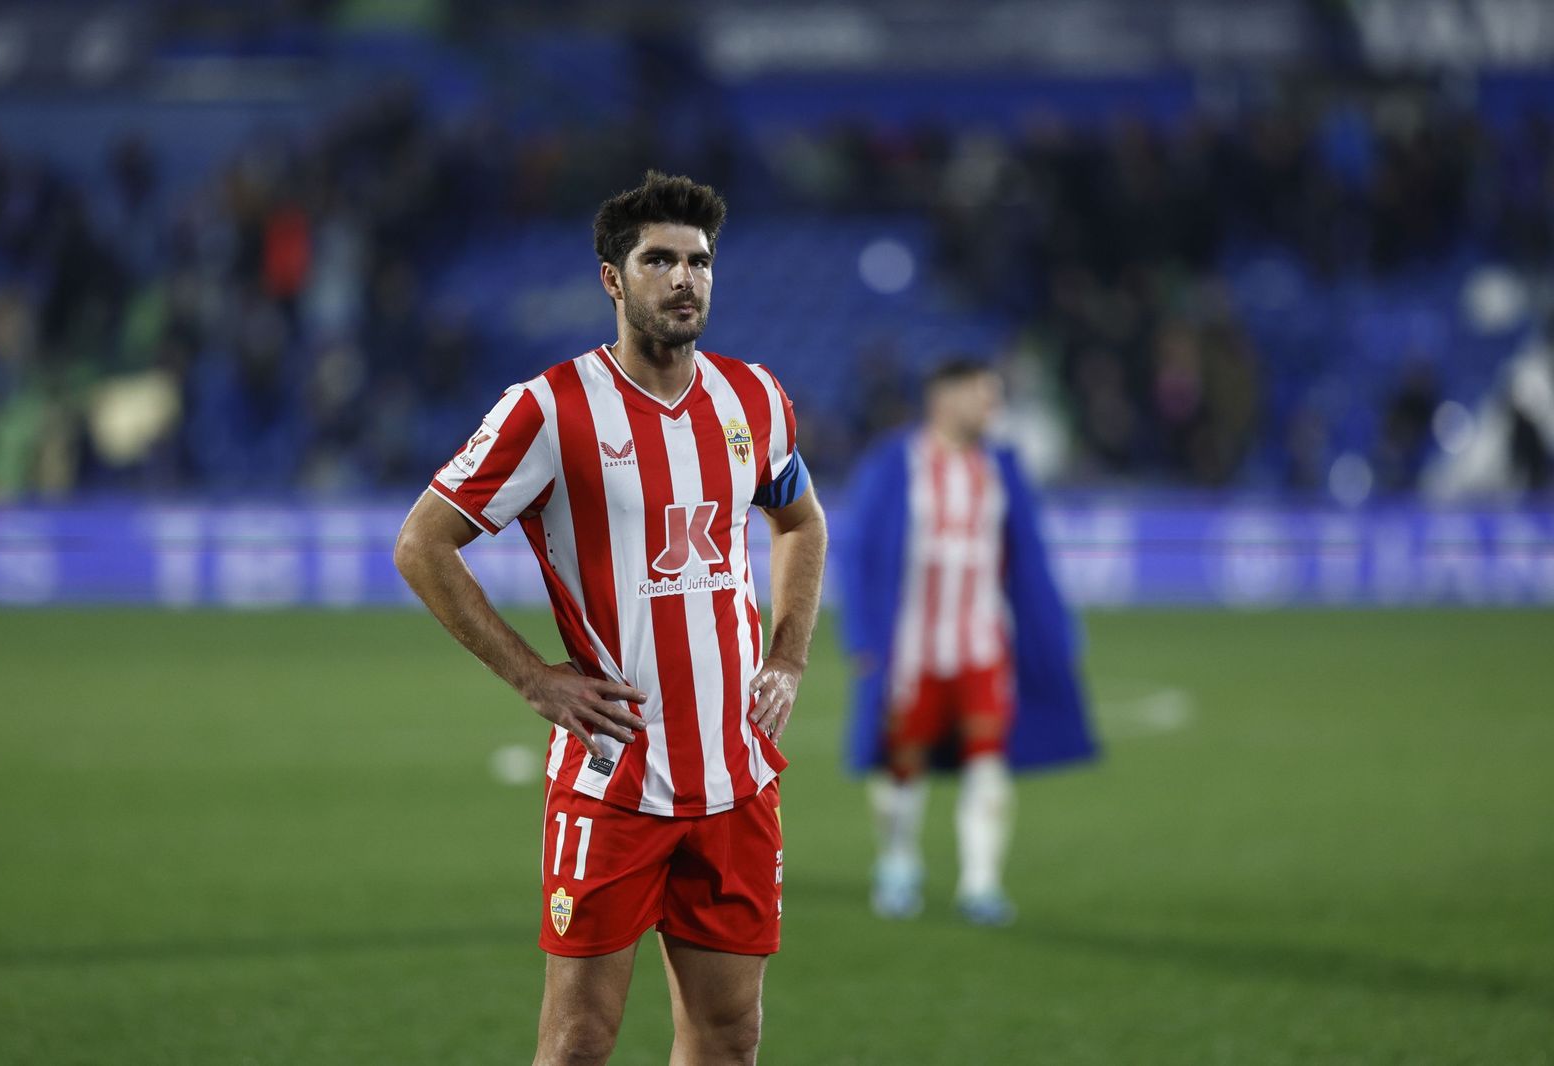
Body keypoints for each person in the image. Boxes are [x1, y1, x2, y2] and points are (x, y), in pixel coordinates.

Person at [394, 172, 827, 1065]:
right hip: (615, 780)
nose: (684, 279)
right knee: (581, 1040)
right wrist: (534, 677)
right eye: (659, 259)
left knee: (729, 1036)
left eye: (699, 261)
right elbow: (422, 545)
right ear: (612, 281)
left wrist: (787, 654)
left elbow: (801, 521)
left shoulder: (754, 400)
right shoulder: (549, 409)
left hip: (736, 778)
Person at [837, 359, 1095, 925]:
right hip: (911, 651)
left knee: (988, 762)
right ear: (943, 398)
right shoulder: (893, 464)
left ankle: (982, 883)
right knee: (901, 767)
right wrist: (860, 634)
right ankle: (899, 863)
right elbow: (856, 556)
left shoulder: (1001, 466)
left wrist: (1056, 634)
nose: (991, 407)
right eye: (981, 395)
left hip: (983, 648)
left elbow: (1029, 559)